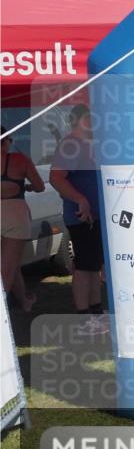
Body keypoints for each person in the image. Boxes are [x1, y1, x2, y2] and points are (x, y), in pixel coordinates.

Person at [49, 105, 107, 333]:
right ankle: (84, 318)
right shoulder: (71, 145)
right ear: (80, 121)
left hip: (95, 215)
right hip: (81, 216)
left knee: (93, 266)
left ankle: (95, 311)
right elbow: (56, 177)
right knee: (84, 266)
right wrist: (80, 199)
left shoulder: (88, 145)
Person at [1, 127, 44, 312]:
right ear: (7, 140)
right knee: (9, 267)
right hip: (15, 214)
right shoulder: (20, 160)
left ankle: (24, 302)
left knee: (12, 264)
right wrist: (26, 187)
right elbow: (40, 186)